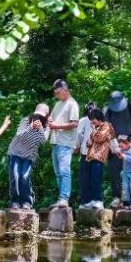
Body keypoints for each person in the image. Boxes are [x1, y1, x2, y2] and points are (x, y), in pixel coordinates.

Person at [6, 103, 51, 209]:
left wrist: (40, 128)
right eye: (37, 115)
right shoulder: (26, 121)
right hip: (15, 152)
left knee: (24, 176)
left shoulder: (46, 127)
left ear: (46, 116)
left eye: (41, 116)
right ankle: (15, 201)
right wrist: (31, 127)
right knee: (16, 176)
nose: (39, 118)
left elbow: (43, 141)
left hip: (29, 156)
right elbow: (19, 135)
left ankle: (27, 201)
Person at [48, 80, 80, 208]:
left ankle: (64, 198)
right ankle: (61, 198)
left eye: (58, 92)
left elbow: (74, 123)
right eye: (55, 93)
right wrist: (49, 120)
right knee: (58, 172)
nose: (56, 95)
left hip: (66, 143)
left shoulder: (72, 104)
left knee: (64, 171)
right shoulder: (57, 105)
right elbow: (52, 120)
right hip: (55, 142)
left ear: (65, 90)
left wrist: (56, 125)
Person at [104, 91, 131, 207]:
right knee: (114, 172)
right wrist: (114, 146)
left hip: (128, 143)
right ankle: (116, 198)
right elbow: (107, 127)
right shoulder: (108, 109)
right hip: (114, 144)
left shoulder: (130, 106)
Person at [82, 108, 113, 209]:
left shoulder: (107, 126)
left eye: (93, 119)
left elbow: (99, 138)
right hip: (90, 157)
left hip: (99, 157)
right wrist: (88, 142)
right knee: (90, 180)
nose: (92, 122)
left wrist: (93, 130)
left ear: (98, 118)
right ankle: (93, 200)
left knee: (96, 179)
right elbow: (89, 141)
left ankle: (99, 200)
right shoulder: (97, 128)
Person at [74, 102, 98, 207]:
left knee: (85, 178)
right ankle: (94, 201)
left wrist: (76, 147)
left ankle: (85, 202)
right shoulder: (101, 120)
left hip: (86, 152)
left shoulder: (83, 121)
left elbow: (79, 135)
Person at [116, 135, 131, 209]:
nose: (121, 147)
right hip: (126, 171)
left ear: (127, 143)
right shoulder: (123, 150)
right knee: (125, 186)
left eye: (122, 145)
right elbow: (120, 156)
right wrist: (119, 153)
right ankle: (126, 202)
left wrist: (125, 156)